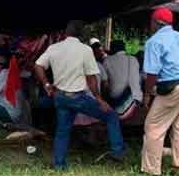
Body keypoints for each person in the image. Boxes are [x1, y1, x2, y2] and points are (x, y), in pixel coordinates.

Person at [34, 20, 124, 170]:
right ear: (81, 35)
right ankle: (117, 153)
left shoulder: (54, 48)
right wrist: (99, 99)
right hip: (77, 98)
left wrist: (46, 84)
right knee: (111, 116)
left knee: (62, 130)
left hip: (60, 97)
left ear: (66, 33)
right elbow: (91, 78)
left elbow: (38, 65)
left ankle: (59, 165)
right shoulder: (85, 50)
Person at [141, 7, 179, 176]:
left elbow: (152, 74)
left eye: (151, 22)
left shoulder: (154, 42)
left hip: (172, 89)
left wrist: (147, 94)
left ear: (155, 23)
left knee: (153, 127)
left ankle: (151, 169)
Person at [103, 40, 143, 119]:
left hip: (114, 101)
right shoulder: (133, 59)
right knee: (139, 79)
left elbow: (105, 82)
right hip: (130, 104)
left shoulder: (107, 60)